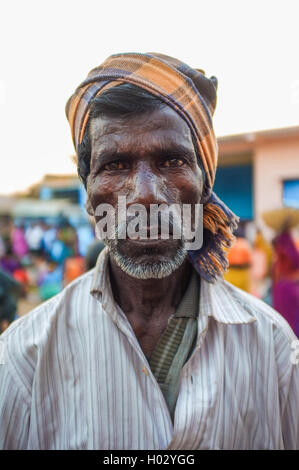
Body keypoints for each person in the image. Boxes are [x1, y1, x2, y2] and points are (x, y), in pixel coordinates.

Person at [0, 53, 298, 450]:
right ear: (89, 196)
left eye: (171, 160)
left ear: (203, 187)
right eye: (117, 165)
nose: (145, 194)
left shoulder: (271, 346)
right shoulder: (24, 358)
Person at [272, 230, 299, 337]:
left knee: (283, 322)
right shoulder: (289, 253)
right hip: (290, 289)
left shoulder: (278, 259)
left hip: (280, 289)